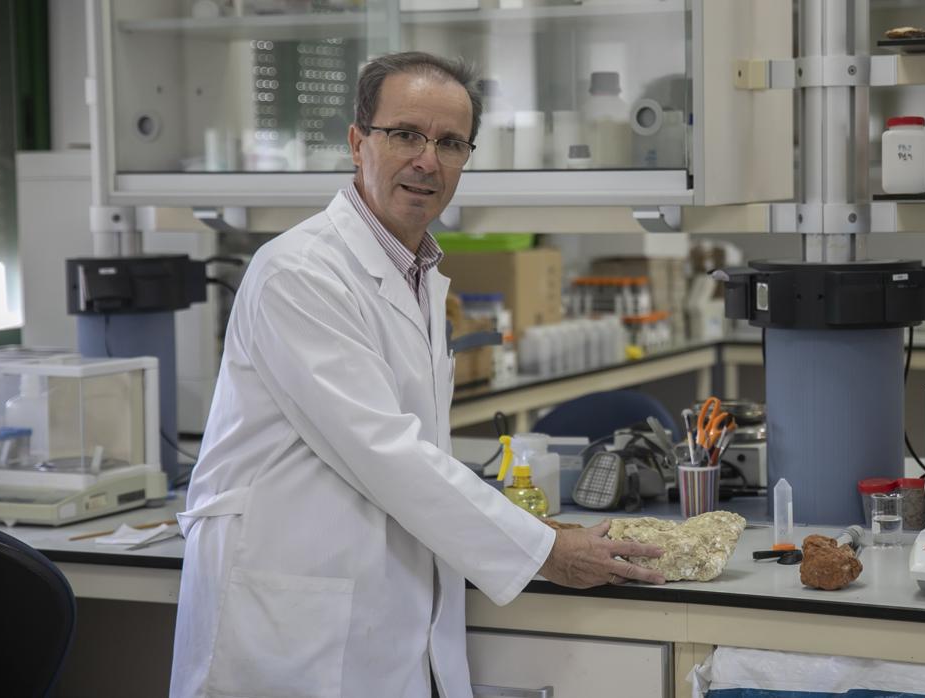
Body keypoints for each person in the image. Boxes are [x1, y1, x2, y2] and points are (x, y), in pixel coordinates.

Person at [170, 51, 666, 698]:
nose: (427, 160)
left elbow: (405, 454)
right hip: (290, 619)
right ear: (357, 142)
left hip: (376, 609)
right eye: (405, 134)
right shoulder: (299, 273)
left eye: (450, 143)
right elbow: (386, 454)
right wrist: (545, 547)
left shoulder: (416, 273)